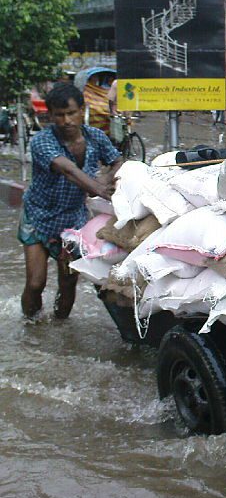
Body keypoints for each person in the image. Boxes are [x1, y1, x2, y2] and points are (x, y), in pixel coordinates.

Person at [18, 83, 123, 320]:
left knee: (67, 283)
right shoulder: (42, 142)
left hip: (73, 220)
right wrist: (99, 189)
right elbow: (67, 170)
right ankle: (30, 326)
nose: (66, 121)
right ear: (50, 116)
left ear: (82, 110)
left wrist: (107, 178)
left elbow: (117, 161)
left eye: (71, 113)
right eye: (59, 115)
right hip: (38, 215)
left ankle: (60, 329)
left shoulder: (95, 137)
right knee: (35, 283)